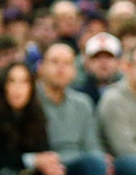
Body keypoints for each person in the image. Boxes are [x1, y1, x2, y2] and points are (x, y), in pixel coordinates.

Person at [0, 62, 62, 175]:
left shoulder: (36, 114)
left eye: (24, 82)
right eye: (12, 81)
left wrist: (48, 165)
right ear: (3, 86)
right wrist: (32, 160)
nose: (18, 88)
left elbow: (42, 150)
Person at [35, 44, 108, 175]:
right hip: (45, 164)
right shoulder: (30, 101)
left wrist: (102, 160)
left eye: (67, 63)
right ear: (41, 67)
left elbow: (92, 145)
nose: (61, 68)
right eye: (54, 62)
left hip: (79, 164)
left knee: (97, 161)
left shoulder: (83, 103)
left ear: (74, 71)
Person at [97, 43, 136, 175]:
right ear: (128, 67)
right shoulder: (114, 99)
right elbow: (123, 148)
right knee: (135, 163)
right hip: (123, 162)